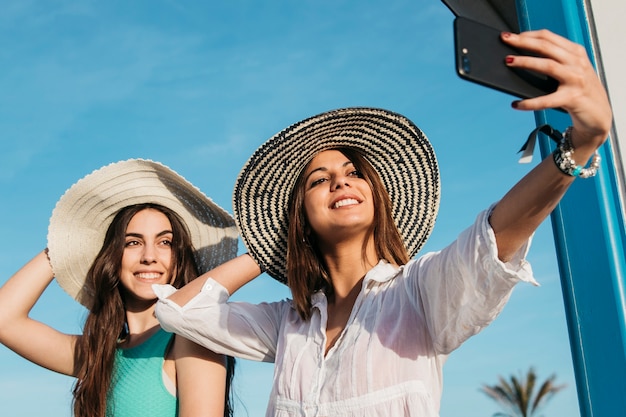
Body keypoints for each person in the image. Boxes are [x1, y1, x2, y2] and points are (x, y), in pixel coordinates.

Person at [153, 29, 613, 416]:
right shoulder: (288, 323)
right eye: (320, 180)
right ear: (301, 217)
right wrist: (272, 245)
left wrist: (578, 147)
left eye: (355, 173)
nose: (341, 182)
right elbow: (179, 311)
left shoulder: (418, 293)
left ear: (376, 196)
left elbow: (491, 240)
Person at [0, 159, 240, 417]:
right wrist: (67, 242)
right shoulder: (98, 355)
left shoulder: (192, 337)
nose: (149, 256)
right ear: (112, 257)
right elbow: (5, 319)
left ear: (180, 258)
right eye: (133, 243)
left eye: (165, 242)